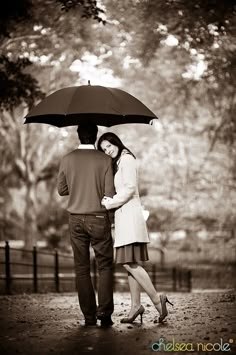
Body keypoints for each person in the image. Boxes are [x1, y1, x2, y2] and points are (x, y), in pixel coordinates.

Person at [97, 132, 173, 323]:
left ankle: (157, 300)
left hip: (130, 217)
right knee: (130, 264)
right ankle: (135, 306)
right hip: (125, 218)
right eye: (104, 149)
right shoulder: (120, 161)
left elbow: (130, 188)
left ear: (116, 142)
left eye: (109, 146)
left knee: (129, 263)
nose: (107, 150)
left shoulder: (127, 159)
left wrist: (110, 202)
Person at [57, 123, 115, 327]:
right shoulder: (106, 160)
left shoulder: (67, 159)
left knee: (81, 268)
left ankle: (89, 317)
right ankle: (105, 314)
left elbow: (62, 190)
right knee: (105, 266)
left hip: (75, 219)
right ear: (96, 135)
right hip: (99, 218)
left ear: (79, 136)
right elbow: (110, 194)